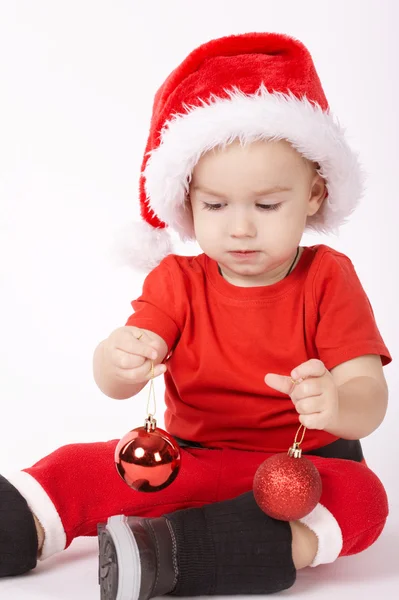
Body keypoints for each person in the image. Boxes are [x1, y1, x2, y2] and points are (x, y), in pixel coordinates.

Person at [0, 31, 392, 600]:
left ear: (314, 194)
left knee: (363, 500)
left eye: (266, 204)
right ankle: (30, 516)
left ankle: (179, 552)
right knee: (91, 464)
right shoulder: (178, 282)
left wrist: (337, 401)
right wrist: (118, 359)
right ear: (186, 202)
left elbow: (369, 396)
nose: (239, 228)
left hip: (300, 468)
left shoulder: (328, 277)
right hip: (189, 459)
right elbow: (115, 378)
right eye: (214, 205)